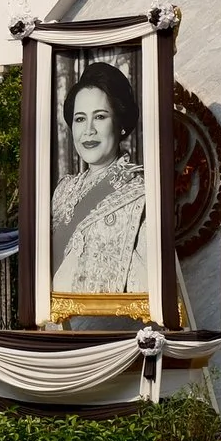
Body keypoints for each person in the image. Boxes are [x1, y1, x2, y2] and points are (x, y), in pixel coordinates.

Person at [49, 60, 146, 294]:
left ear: (120, 124)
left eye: (100, 117)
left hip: (116, 325)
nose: (88, 130)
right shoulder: (63, 191)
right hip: (59, 325)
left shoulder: (141, 193)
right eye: (80, 119)